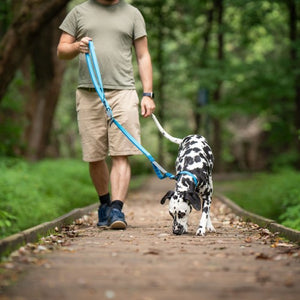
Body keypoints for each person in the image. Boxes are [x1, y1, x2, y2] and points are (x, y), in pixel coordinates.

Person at [57, 0, 155, 230]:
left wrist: (148, 94)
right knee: (95, 155)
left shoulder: (133, 13)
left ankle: (117, 209)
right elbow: (62, 50)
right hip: (88, 93)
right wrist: (76, 47)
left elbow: (143, 55)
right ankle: (104, 204)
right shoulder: (79, 12)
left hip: (124, 92)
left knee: (122, 153)